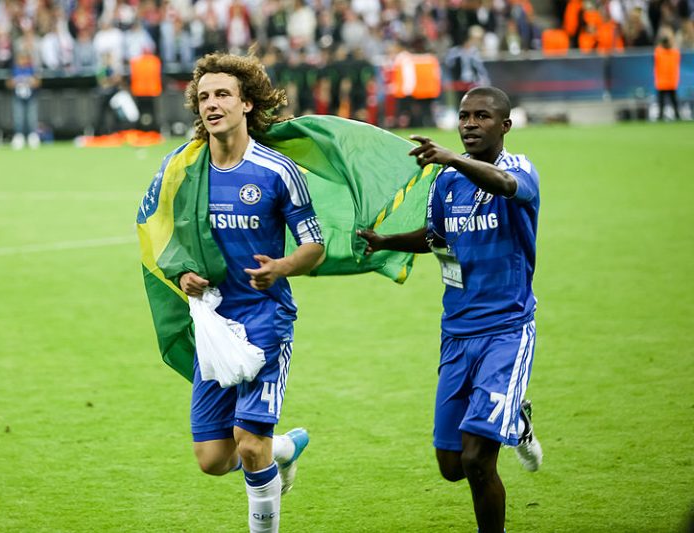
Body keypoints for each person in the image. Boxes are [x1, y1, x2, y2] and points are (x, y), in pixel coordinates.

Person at [358, 86, 543, 533]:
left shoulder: (518, 169)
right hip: (457, 333)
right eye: (464, 116)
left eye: (482, 116)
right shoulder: (446, 182)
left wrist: (451, 158)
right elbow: (436, 237)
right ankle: (515, 419)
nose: (469, 124)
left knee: (479, 459)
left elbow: (504, 186)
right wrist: (385, 242)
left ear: (505, 125)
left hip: (506, 329)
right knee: (451, 464)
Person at [167, 52, 325, 532]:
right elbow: (171, 242)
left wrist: (281, 267)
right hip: (215, 323)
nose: (211, 104)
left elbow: (315, 245)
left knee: (249, 443)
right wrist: (183, 277)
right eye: (205, 96)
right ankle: (284, 447)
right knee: (213, 458)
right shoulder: (184, 171)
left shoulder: (276, 172)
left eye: (223, 95)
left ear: (247, 104)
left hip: (264, 319)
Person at [7, 48, 41, 149]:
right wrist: (15, 82)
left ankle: (32, 136)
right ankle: (19, 136)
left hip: (31, 97)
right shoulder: (15, 70)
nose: (23, 61)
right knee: (18, 117)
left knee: (31, 117)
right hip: (18, 97)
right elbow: (8, 83)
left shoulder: (32, 69)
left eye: (25, 58)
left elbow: (38, 82)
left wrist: (30, 81)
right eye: (21, 59)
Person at [654, 30, 681, 121]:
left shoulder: (659, 52)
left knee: (666, 101)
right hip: (668, 81)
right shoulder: (674, 53)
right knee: (671, 101)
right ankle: (676, 115)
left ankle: (665, 116)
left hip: (664, 81)